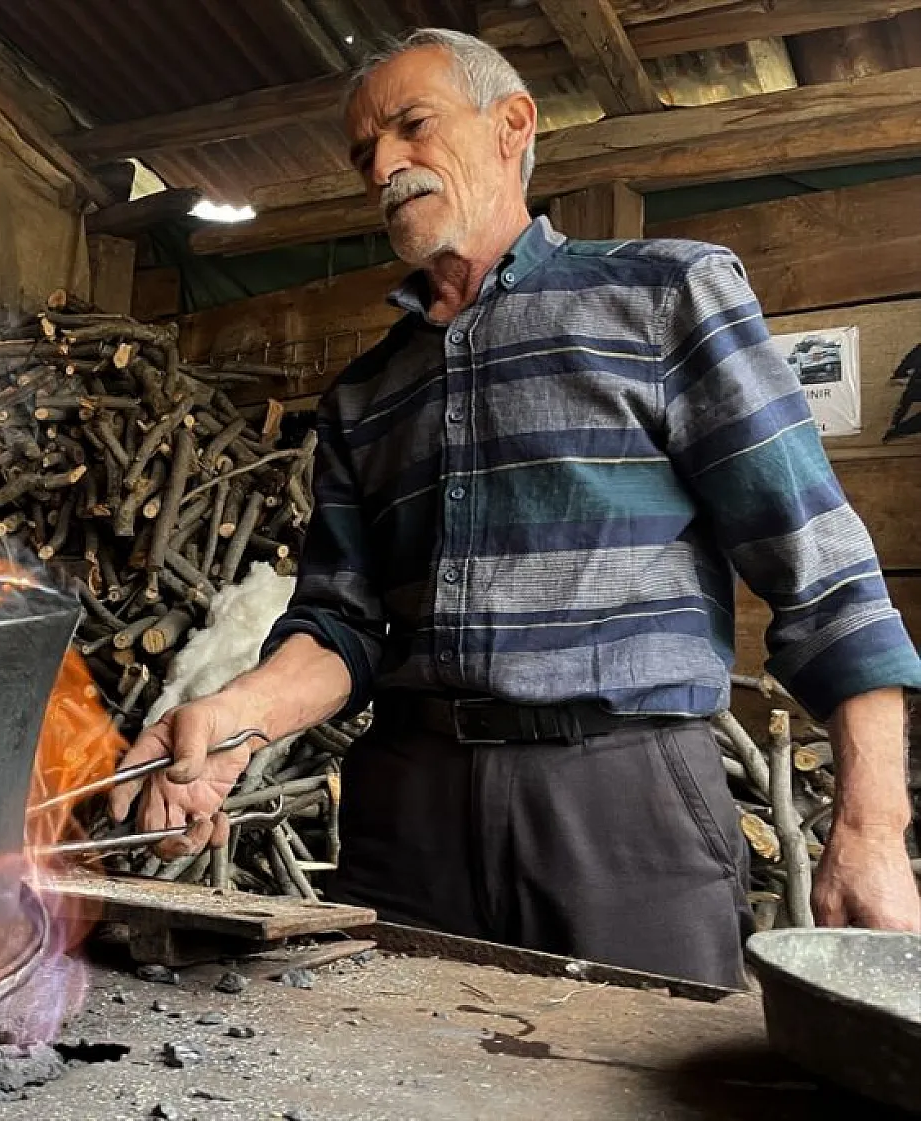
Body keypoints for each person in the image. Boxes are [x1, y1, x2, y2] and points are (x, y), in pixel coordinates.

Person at [109, 28, 921, 988]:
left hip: (620, 798)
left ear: (512, 126)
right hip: (409, 807)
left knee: (639, 1083)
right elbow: (340, 624)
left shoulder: (663, 297)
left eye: (412, 125)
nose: (385, 165)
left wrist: (872, 823)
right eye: (365, 152)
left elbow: (820, 569)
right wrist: (234, 719)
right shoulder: (365, 395)